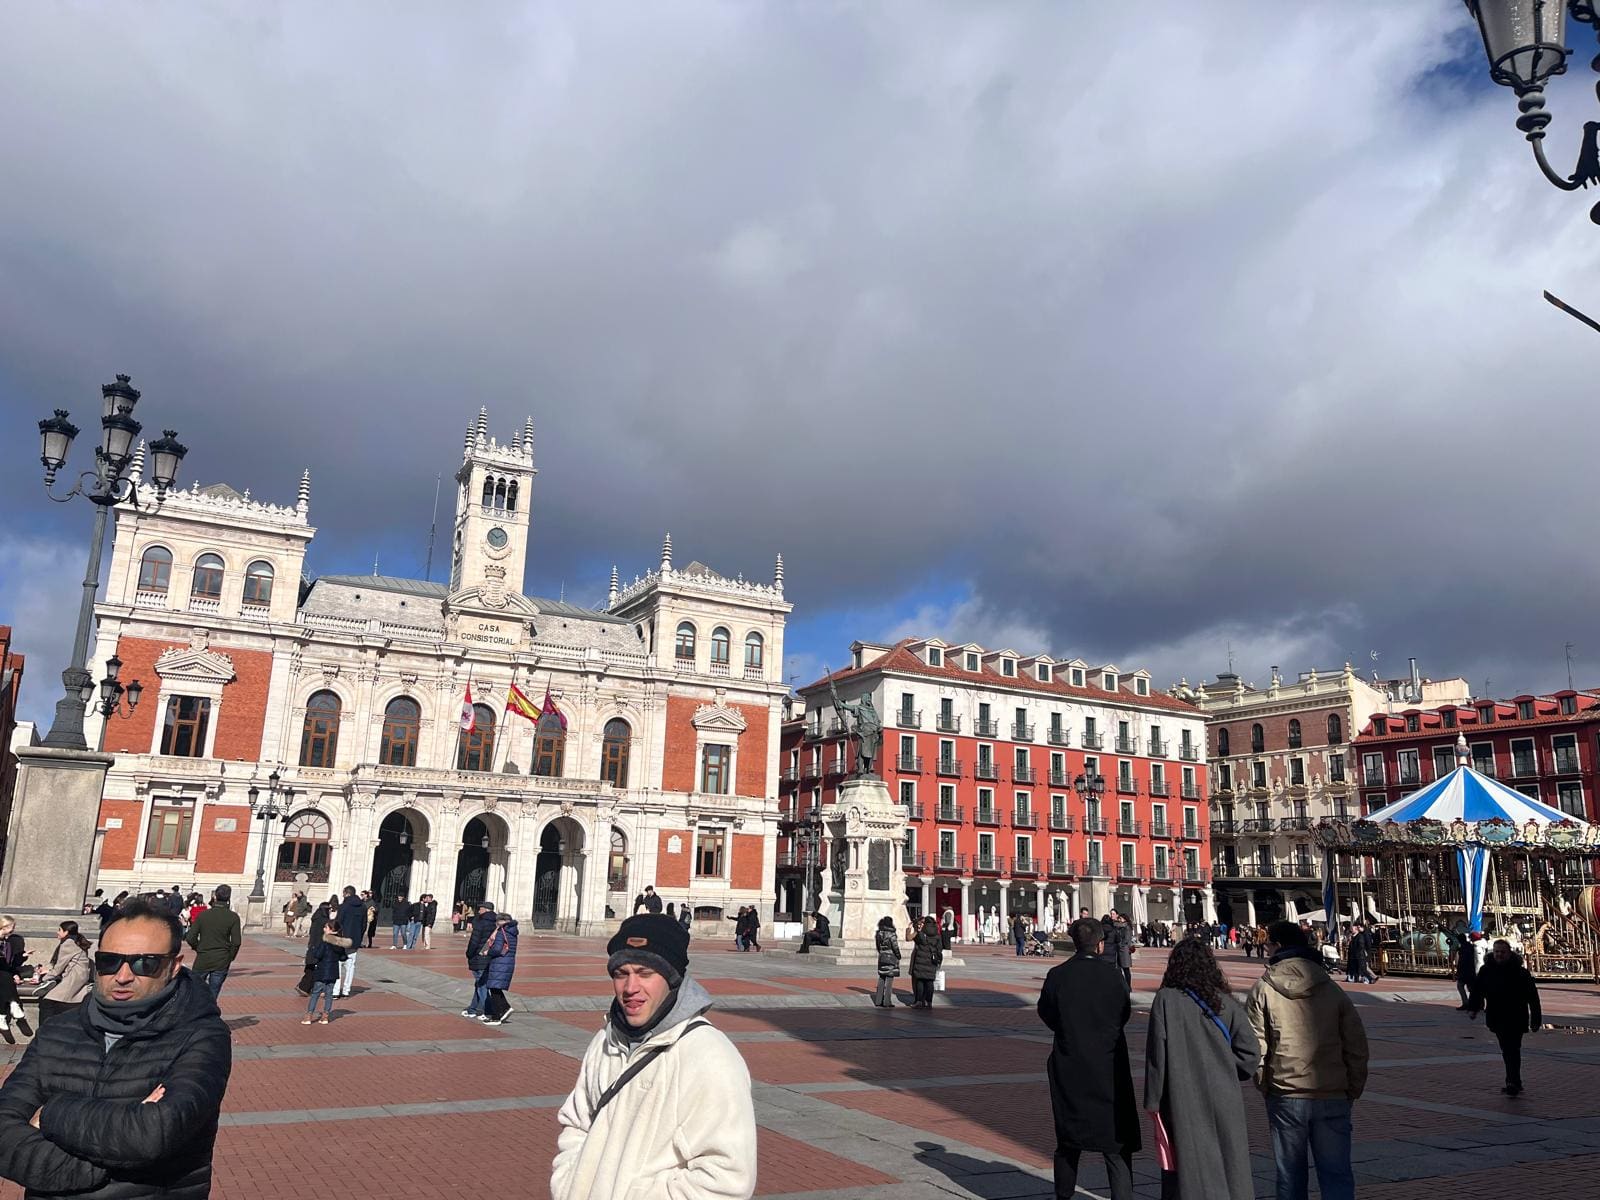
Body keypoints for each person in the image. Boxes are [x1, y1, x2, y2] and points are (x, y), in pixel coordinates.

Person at [0, 897, 232, 1197]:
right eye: (109, 961)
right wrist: (89, 1166)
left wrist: (48, 1115)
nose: (123, 976)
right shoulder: (58, 1030)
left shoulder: (202, 1035)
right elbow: (4, 1128)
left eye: (145, 963)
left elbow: (154, 1133)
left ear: (174, 966)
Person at [550, 913, 756, 1199]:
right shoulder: (605, 1041)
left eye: (645, 973)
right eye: (621, 974)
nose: (630, 988)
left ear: (671, 978)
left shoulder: (709, 1055)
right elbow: (576, 1123)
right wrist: (569, 1183)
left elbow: (727, 1179)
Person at [1246, 920, 1368, 1200]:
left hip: (1286, 1092)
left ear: (1278, 946)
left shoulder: (1263, 989)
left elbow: (1256, 1046)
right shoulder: (1331, 988)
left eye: (1268, 944)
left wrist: (1265, 1083)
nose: (1265, 948)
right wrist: (1353, 1087)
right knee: (1337, 1174)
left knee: (1290, 1176)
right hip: (1333, 1090)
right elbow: (1356, 1044)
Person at [1145, 938, 1260, 1200]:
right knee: (1230, 1157)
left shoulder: (1166, 1000)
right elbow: (1250, 1054)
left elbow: (1156, 1055)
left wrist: (1153, 1100)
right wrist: (1226, 1068)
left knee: (1189, 1161)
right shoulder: (1226, 1002)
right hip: (1225, 1093)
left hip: (1181, 1093)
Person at [1037, 917, 1140, 1200]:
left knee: (1068, 1139)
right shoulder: (1114, 976)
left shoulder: (1058, 975)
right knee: (1116, 1141)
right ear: (1100, 944)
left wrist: (1067, 1030)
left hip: (1070, 1062)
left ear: (1074, 942)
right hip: (1109, 1064)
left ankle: (1064, 1195)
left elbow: (1046, 1012)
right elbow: (1124, 1012)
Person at [1468, 938, 1542, 1096]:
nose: (1499, 955)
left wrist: (1536, 1020)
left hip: (1516, 1016)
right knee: (1507, 1049)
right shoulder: (1486, 970)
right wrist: (1473, 1008)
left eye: (1502, 952)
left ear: (1509, 953)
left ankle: (1512, 1081)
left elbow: (1533, 997)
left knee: (1512, 1048)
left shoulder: (1520, 972)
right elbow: (1477, 991)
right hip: (1497, 1016)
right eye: (1496, 952)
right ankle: (1515, 1080)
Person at [183, 884, 241, 999]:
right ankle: (209, 1009)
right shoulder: (233, 917)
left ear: (215, 897)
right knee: (213, 993)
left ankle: (196, 1009)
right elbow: (236, 942)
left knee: (195, 990)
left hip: (203, 957)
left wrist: (198, 948)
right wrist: (230, 956)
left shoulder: (203, 915)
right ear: (229, 898)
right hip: (222, 959)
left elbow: (190, 937)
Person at [33, 922, 94, 1026]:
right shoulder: (76, 942)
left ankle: (44, 1030)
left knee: (46, 1001)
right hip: (78, 982)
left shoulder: (68, 944)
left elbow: (58, 968)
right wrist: (48, 971)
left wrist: (42, 979)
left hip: (72, 982)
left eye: (59, 930)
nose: (57, 932)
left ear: (66, 932)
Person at [301, 919, 353, 1025]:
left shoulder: (325, 941)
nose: (324, 929)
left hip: (322, 970)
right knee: (329, 994)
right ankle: (325, 1016)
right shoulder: (339, 942)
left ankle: (309, 1016)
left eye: (326, 927)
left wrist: (314, 950)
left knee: (315, 993)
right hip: (333, 971)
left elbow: (318, 954)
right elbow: (343, 957)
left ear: (331, 929)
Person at [480, 912, 519, 1025]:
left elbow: (497, 949)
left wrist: (488, 952)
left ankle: (497, 1016)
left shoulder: (502, 932)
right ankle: (504, 1010)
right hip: (507, 962)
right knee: (496, 988)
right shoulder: (512, 932)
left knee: (494, 988)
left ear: (501, 921)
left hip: (499, 962)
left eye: (497, 922)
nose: (496, 924)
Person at [463, 901, 497, 1019]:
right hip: (489, 956)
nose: (478, 911)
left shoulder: (481, 922)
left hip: (478, 957)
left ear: (486, 910)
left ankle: (489, 1010)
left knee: (481, 984)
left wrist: (469, 954)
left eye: (481, 909)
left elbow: (474, 941)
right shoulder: (496, 923)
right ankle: (472, 1009)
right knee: (479, 983)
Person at [333, 886, 367, 997]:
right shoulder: (362, 907)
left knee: (338, 964)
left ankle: (336, 991)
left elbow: (338, 923)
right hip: (355, 940)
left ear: (347, 894)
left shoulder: (344, 906)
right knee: (351, 965)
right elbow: (364, 925)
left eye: (343, 893)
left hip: (343, 939)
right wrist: (359, 937)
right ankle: (346, 990)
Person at [0, 918, 29, 1033]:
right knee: (5, 976)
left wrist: (22, 957)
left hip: (3, 972)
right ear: (5, 926)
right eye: (12, 927)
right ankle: (13, 1003)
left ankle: (4, 1013)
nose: (13, 929)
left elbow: (8, 963)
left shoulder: (6, 943)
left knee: (6, 977)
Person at [909, 915, 943, 1008]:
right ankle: (929, 1002)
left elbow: (914, 940)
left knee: (920, 981)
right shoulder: (937, 935)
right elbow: (939, 949)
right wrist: (938, 961)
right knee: (930, 982)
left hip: (920, 960)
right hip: (932, 961)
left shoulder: (922, 934)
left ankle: (919, 1001)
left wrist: (917, 929)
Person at [873, 916, 901, 1007]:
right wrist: (898, 955)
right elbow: (895, 947)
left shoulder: (879, 933)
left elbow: (878, 946)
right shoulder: (892, 934)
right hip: (891, 957)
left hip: (882, 956)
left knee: (881, 977)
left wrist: (882, 953)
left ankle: (878, 1001)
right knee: (889, 980)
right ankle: (887, 1001)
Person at [1453, 930, 1480, 1009]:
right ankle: (1474, 1003)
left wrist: (1458, 971)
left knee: (1460, 986)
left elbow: (1462, 961)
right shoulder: (1470, 946)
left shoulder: (1463, 948)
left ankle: (1466, 1003)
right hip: (1471, 970)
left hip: (1465, 971)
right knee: (1471, 988)